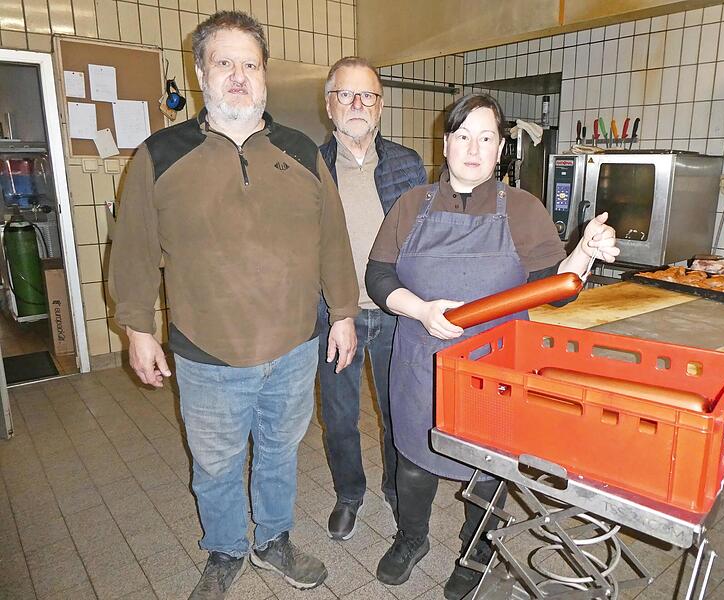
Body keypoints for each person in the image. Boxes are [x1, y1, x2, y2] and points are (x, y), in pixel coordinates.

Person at [108, 11, 359, 600]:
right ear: (201, 74)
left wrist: (344, 313)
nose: (239, 76)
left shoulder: (300, 151)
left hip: (293, 346)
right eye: (225, 63)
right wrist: (137, 329)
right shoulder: (161, 154)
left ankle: (273, 541)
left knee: (279, 453)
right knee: (216, 464)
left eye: (250, 64)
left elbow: (333, 239)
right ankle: (224, 549)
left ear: (264, 75)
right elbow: (134, 247)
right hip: (207, 353)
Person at [365, 93, 618, 598]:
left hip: (494, 369)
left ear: (501, 148)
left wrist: (584, 256)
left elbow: (556, 288)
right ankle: (411, 537)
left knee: (488, 469)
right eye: (463, 136)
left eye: (486, 138)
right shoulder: (412, 204)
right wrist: (421, 310)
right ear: (445, 143)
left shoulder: (522, 209)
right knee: (413, 459)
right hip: (421, 362)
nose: (473, 149)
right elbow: (378, 275)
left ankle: (477, 549)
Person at [317, 56, 427, 540]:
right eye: (346, 94)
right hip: (335, 314)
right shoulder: (309, 165)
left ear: (380, 106)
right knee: (339, 415)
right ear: (329, 105)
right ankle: (349, 494)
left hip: (395, 312)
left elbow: (423, 239)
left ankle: (396, 488)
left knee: (396, 411)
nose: (357, 104)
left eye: (368, 95)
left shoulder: (407, 163)